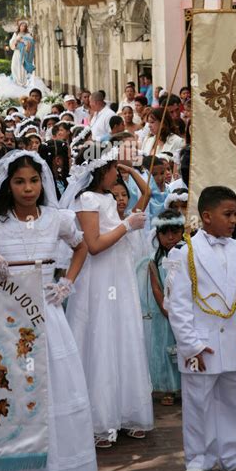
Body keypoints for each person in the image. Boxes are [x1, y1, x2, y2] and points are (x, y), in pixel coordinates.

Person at [0, 150, 99, 471]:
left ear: (43, 183)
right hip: (5, 317)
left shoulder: (58, 218)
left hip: (48, 314)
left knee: (54, 392)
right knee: (10, 397)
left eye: (34, 181)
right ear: (8, 185)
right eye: (20, 181)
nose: (28, 188)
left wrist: (66, 282)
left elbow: (82, 246)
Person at [166, 185, 236, 471]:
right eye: (228, 214)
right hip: (202, 342)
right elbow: (178, 304)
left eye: (235, 214)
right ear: (207, 216)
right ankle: (198, 457)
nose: (234, 220)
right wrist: (191, 345)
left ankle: (233, 455)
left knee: (234, 399)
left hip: (233, 338)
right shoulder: (184, 252)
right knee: (198, 402)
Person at [61, 147, 154, 448]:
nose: (117, 173)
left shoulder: (109, 198)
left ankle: (125, 411)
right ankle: (99, 418)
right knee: (99, 339)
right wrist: (127, 226)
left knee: (121, 336)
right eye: (114, 168)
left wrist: (132, 173)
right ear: (100, 170)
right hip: (99, 278)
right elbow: (94, 244)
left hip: (118, 274)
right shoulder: (86, 199)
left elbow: (145, 196)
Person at [137, 209, 183, 405]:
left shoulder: (188, 254)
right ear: (158, 234)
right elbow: (156, 287)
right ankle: (166, 388)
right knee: (164, 348)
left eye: (175, 232)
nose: (170, 237)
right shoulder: (153, 259)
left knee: (182, 347)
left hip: (184, 309)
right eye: (165, 233)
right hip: (162, 311)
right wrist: (166, 309)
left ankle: (185, 385)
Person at [9, 20, 35, 87]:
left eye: (24, 26)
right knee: (14, 67)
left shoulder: (28, 35)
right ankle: (16, 83)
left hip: (24, 54)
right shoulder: (16, 34)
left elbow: (31, 44)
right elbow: (12, 44)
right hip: (17, 53)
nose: (23, 27)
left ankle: (23, 83)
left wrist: (24, 42)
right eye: (21, 25)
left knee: (22, 68)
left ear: (26, 27)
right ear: (19, 26)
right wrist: (17, 40)